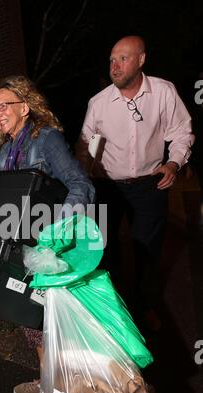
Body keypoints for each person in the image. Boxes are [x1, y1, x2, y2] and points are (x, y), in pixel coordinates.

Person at [0, 75, 95, 393]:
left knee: (62, 317)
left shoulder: (45, 139)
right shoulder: (6, 151)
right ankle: (49, 381)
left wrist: (56, 232)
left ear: (26, 106)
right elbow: (4, 197)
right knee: (30, 315)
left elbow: (80, 185)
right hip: (23, 243)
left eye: (5, 105)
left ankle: (84, 383)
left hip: (54, 244)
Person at [76, 35, 194, 332]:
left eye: (123, 58)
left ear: (141, 59)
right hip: (107, 187)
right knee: (105, 250)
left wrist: (173, 162)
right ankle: (113, 313)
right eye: (112, 60)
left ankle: (144, 309)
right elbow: (86, 144)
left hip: (149, 186)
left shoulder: (164, 93)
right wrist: (82, 173)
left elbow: (181, 132)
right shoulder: (99, 102)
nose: (115, 66)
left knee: (147, 252)